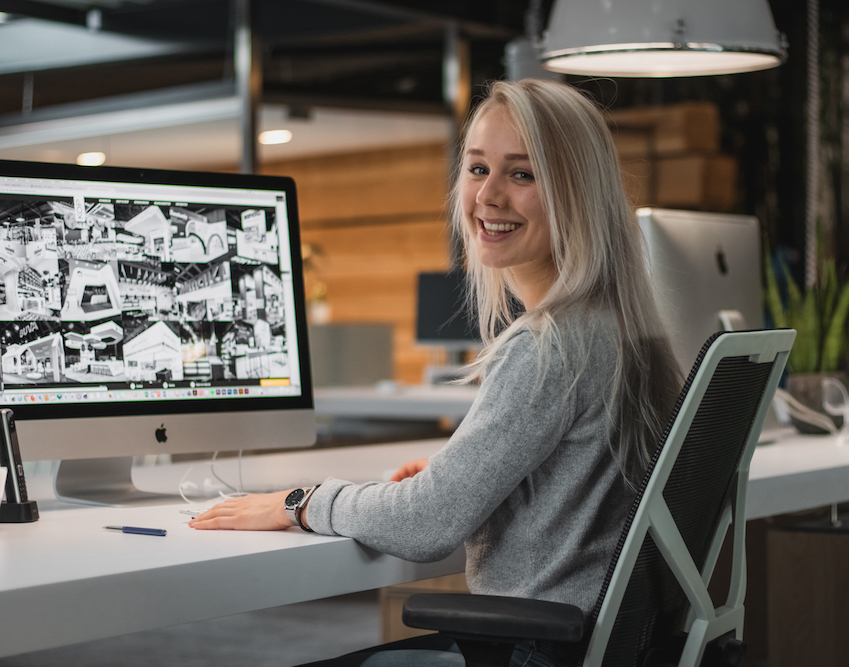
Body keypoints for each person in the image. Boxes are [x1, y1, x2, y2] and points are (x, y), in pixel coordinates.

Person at [189, 78, 683, 667]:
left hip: (538, 649)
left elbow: (427, 523)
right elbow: (585, 488)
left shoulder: (549, 347)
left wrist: (299, 500)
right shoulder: (625, 329)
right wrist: (466, 471)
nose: (489, 196)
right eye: (477, 169)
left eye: (522, 174)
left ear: (577, 196)